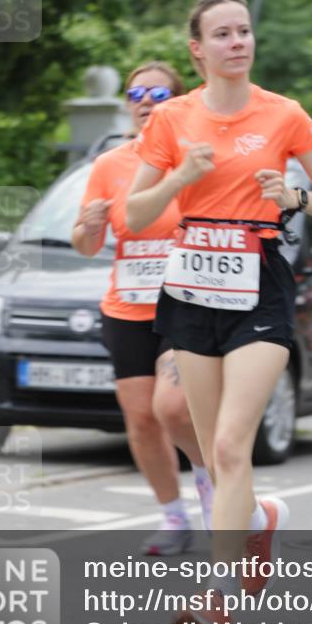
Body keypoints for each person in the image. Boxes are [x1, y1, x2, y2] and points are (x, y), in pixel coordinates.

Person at [126, 0, 312, 624]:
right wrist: (177, 179)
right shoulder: (170, 121)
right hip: (192, 284)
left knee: (228, 444)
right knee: (211, 449)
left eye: (244, 31)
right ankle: (255, 517)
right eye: (222, 34)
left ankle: (216, 598)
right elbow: (135, 215)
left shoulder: (284, 115)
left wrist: (296, 195)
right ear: (197, 49)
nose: (237, 42)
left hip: (259, 281)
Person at [72, 61, 214, 554]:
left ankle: (213, 487)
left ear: (178, 102)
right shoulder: (109, 165)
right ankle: (174, 518)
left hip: (187, 304)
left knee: (172, 408)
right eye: (135, 94)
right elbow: (86, 245)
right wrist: (89, 225)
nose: (145, 101)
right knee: (141, 419)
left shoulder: (196, 160)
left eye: (157, 92)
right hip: (127, 307)